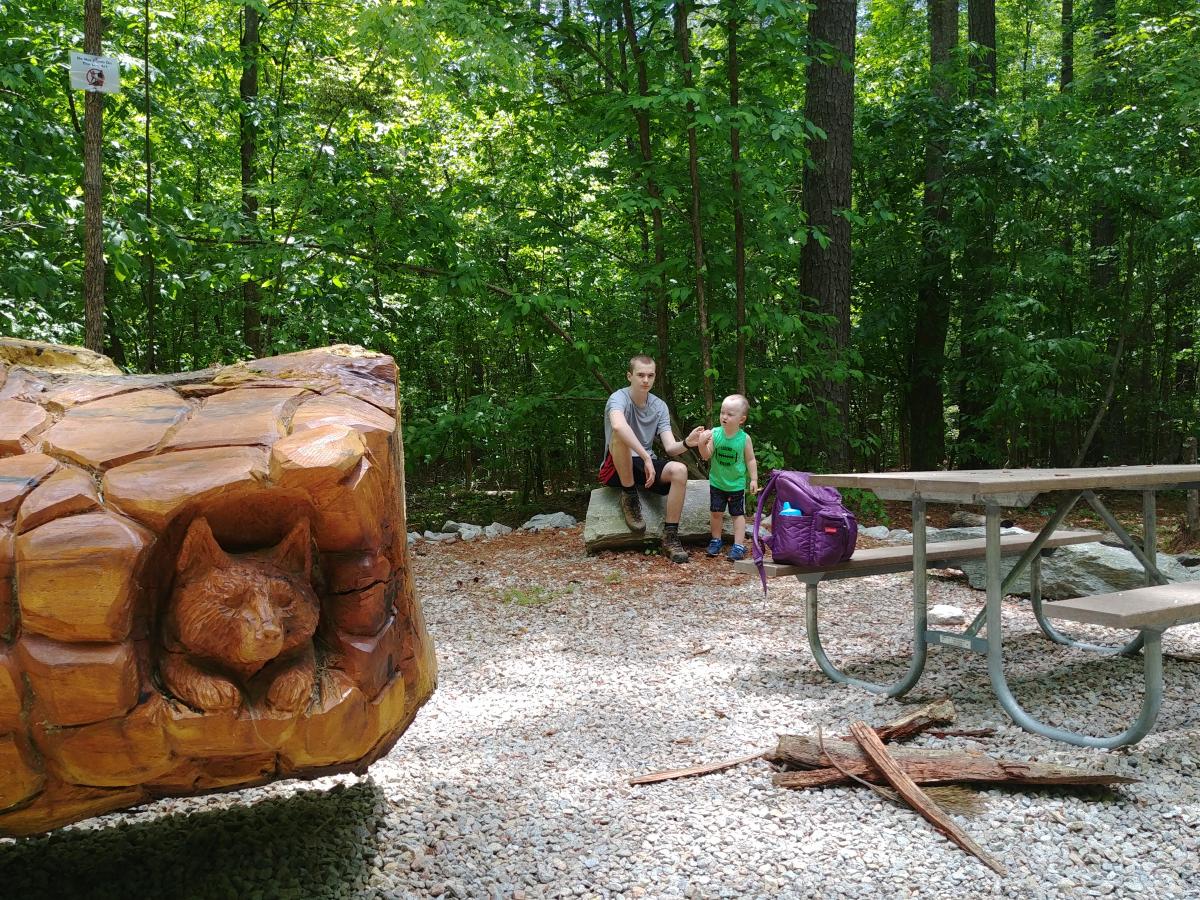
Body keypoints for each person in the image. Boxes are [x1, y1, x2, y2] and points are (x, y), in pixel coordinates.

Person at [599, 355, 706, 564]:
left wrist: (687, 443)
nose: (645, 380)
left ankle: (670, 536)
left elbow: (670, 447)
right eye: (640, 375)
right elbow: (619, 427)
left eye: (650, 375)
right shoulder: (618, 398)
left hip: (644, 465)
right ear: (630, 376)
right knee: (619, 437)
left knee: (680, 470)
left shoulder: (659, 406)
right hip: (617, 467)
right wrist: (646, 456)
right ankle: (629, 495)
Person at [696, 394, 758, 561]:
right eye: (723, 412)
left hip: (736, 485)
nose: (724, 417)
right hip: (717, 483)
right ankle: (716, 540)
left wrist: (753, 479)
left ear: (741, 419)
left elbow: (750, 459)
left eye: (730, 414)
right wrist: (701, 444)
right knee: (716, 513)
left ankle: (738, 545)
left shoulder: (744, 439)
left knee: (737, 515)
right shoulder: (715, 434)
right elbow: (707, 455)